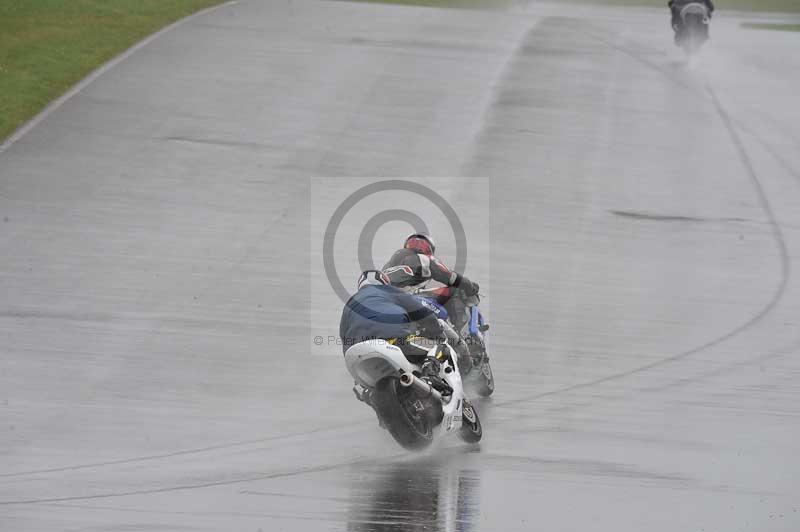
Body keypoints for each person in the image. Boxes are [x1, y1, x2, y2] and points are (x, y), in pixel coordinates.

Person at [339, 270, 452, 397]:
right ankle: (430, 375)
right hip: (393, 339)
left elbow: (343, 336)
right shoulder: (388, 291)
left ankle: (368, 393)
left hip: (357, 353)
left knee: (366, 388)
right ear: (384, 281)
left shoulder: (350, 303)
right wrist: (436, 334)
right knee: (439, 347)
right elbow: (421, 312)